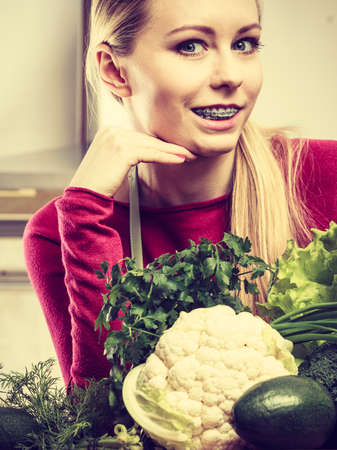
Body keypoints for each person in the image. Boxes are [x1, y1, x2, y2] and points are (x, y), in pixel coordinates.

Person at [23, 0, 337, 389]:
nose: (231, 76)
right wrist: (86, 215)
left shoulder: (327, 174)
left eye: (244, 43)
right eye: (191, 46)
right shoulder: (60, 229)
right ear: (114, 70)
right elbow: (97, 422)